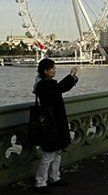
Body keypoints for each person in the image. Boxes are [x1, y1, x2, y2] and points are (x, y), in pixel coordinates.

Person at [33, 58, 78, 193]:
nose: (55, 70)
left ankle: (54, 176)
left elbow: (59, 88)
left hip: (56, 120)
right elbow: (60, 88)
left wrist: (72, 77)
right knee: (49, 153)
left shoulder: (44, 83)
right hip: (50, 121)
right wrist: (71, 77)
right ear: (46, 71)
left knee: (57, 150)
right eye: (52, 68)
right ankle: (40, 182)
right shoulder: (44, 85)